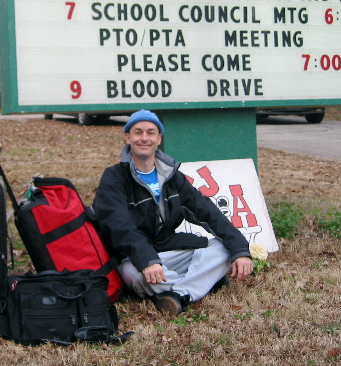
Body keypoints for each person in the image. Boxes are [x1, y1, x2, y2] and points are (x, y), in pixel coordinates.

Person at [92, 109, 254, 316]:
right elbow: (118, 226)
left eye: (150, 133)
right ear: (128, 138)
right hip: (132, 256)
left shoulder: (171, 176)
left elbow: (208, 212)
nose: (144, 138)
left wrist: (240, 250)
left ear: (158, 139)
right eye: (138, 132)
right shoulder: (114, 177)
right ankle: (202, 284)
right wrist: (148, 261)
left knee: (221, 249)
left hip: (168, 248)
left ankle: (178, 295)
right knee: (135, 276)